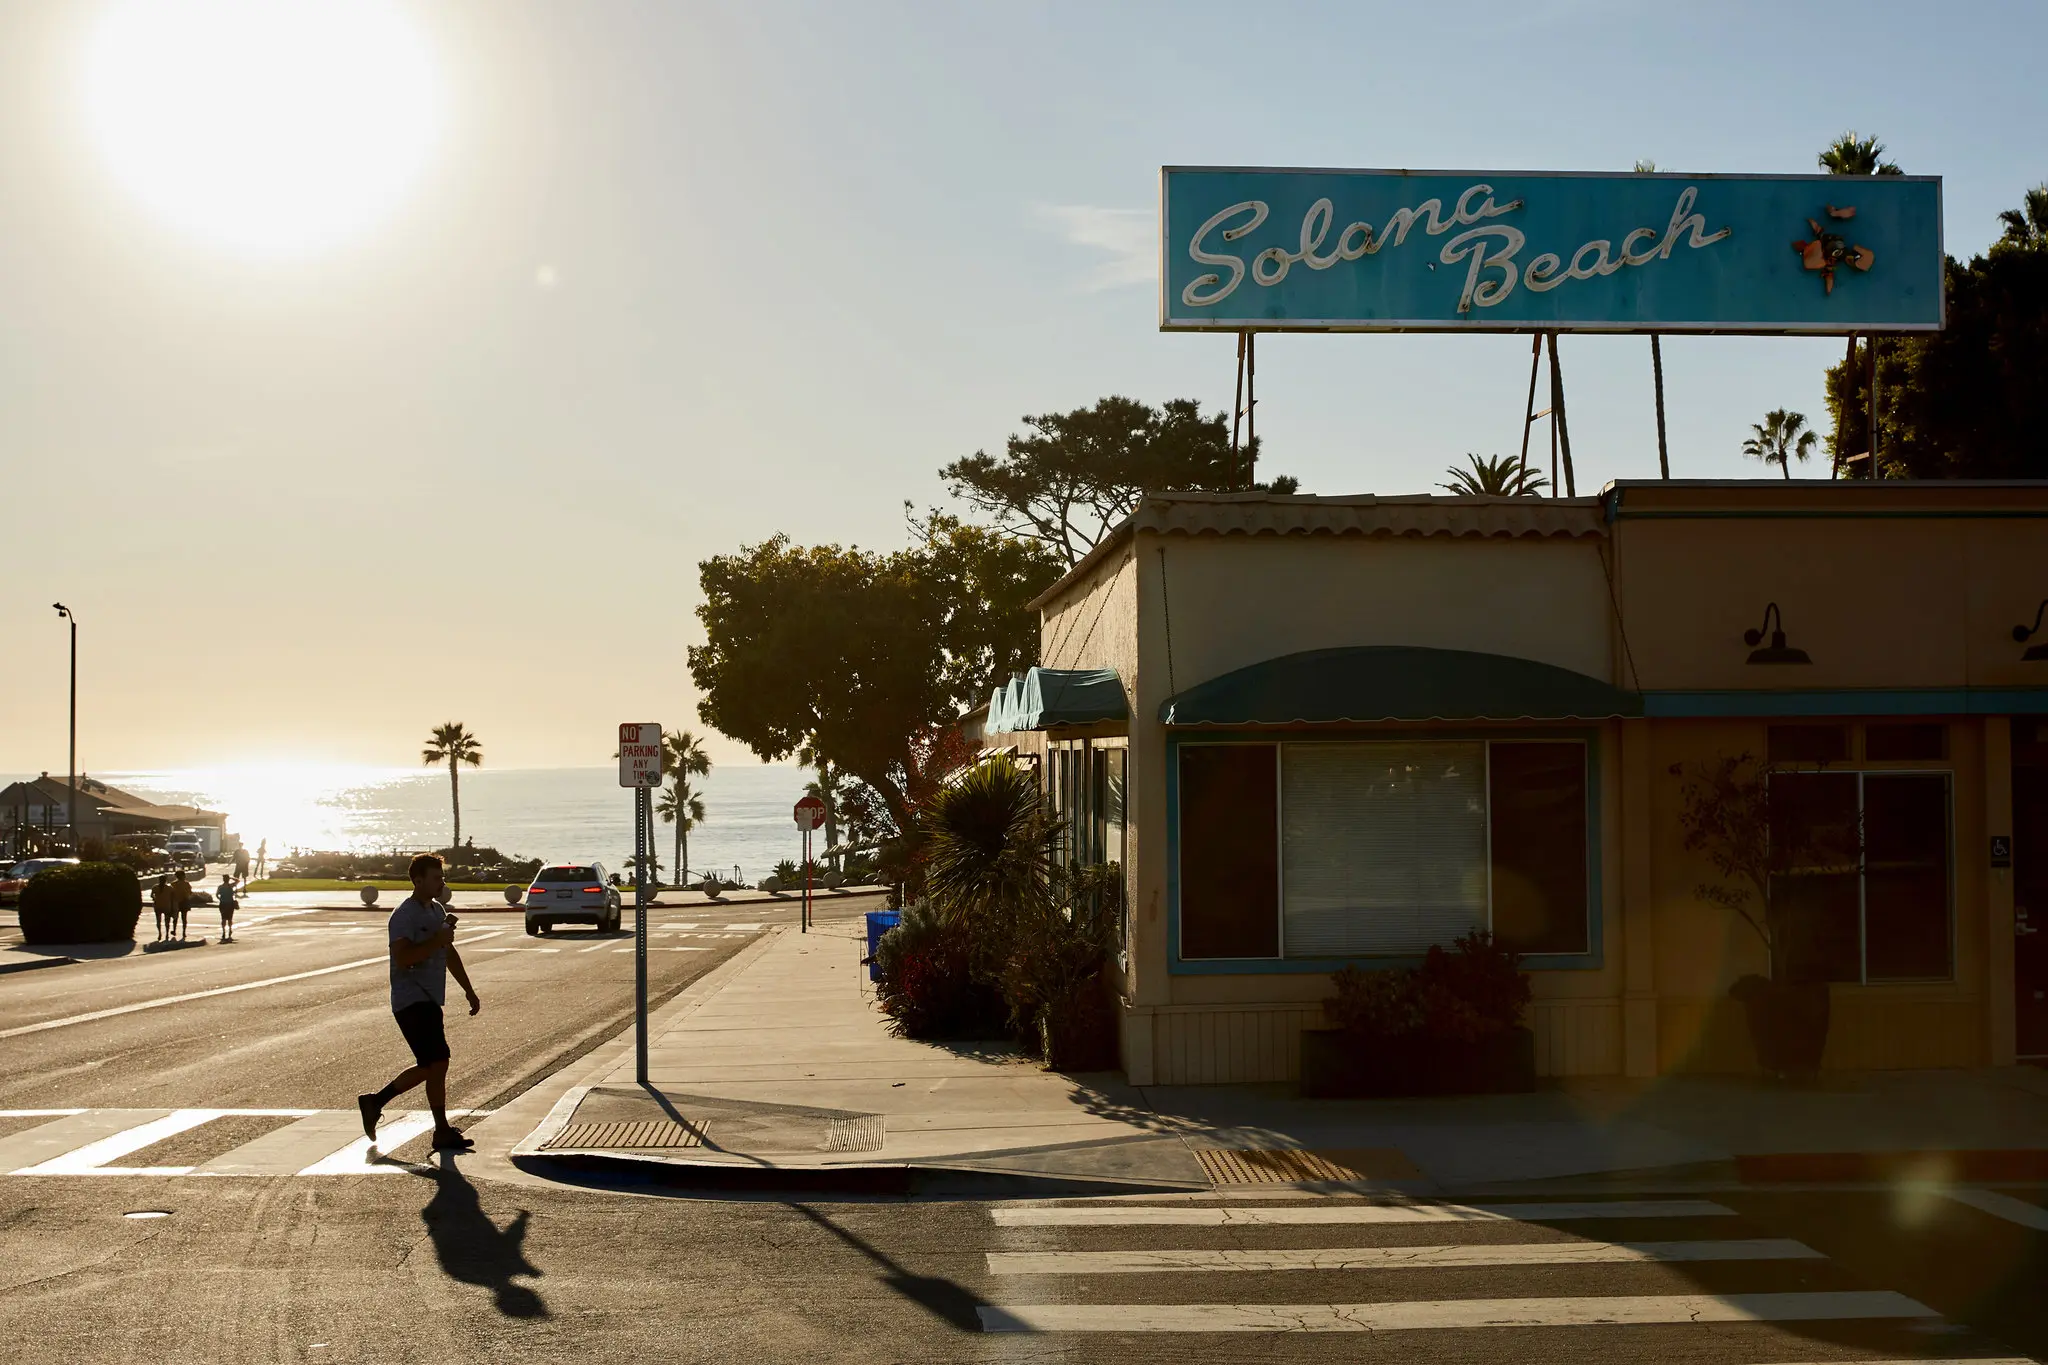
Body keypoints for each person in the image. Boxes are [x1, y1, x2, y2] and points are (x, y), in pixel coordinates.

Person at [358, 852, 481, 1152]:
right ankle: (436, 1129)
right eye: (437, 878)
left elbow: (448, 952)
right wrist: (437, 940)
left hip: (430, 998)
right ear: (418, 880)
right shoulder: (404, 915)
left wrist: (468, 989)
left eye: (442, 877)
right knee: (437, 1063)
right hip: (410, 999)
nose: (442, 882)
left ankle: (377, 1103)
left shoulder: (436, 910)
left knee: (434, 1065)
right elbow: (403, 957)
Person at [215, 874, 239, 943]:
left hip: (223, 904)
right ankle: (230, 930)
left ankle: (223, 931)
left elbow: (217, 895)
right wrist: (232, 878)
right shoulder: (230, 886)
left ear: (223, 879)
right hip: (230, 904)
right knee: (230, 918)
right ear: (228, 879)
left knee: (223, 918)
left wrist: (220, 899)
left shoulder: (220, 887)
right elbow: (238, 881)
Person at [170, 870, 192, 940]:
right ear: (182, 876)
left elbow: (171, 894)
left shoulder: (173, 884)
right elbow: (190, 893)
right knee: (184, 918)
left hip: (176, 902)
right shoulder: (187, 884)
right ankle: (184, 932)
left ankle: (174, 930)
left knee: (175, 917)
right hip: (184, 902)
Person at [150, 877, 169, 942]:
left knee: (158, 921)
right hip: (166, 905)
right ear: (166, 880)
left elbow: (151, 895)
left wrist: (155, 898)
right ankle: (167, 933)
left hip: (157, 905)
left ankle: (159, 933)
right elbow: (173, 896)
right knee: (167, 921)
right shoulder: (169, 888)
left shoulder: (155, 887)